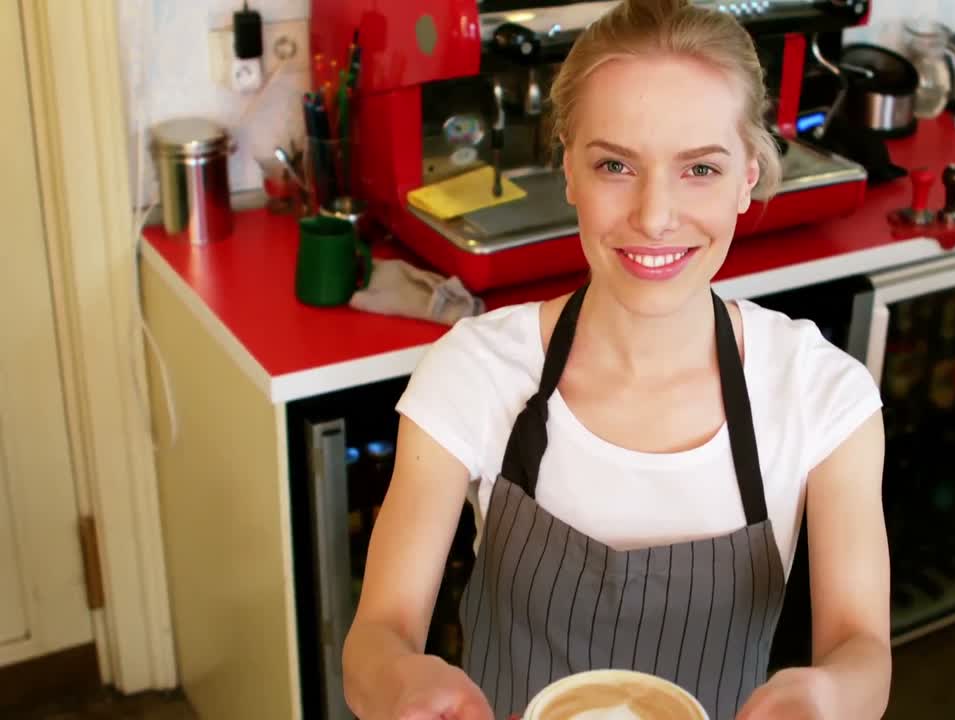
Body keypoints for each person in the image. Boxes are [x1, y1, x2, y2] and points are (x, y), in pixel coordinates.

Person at [342, 0, 891, 717]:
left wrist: (830, 696)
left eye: (699, 167)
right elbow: (376, 639)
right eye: (614, 165)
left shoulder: (821, 396)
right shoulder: (474, 373)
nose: (655, 215)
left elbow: (861, 649)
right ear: (567, 169)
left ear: (748, 175)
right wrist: (400, 681)